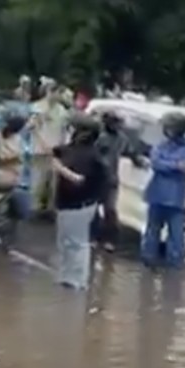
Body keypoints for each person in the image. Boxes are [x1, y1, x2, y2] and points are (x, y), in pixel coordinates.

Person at [52, 114, 107, 289]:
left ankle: (78, 282)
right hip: (66, 204)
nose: (69, 131)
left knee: (77, 244)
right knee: (64, 242)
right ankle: (66, 278)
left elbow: (79, 180)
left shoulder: (90, 155)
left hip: (80, 205)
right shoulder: (72, 149)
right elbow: (54, 151)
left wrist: (60, 169)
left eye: (72, 128)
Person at [141, 112, 185, 268]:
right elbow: (155, 163)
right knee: (152, 231)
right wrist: (175, 166)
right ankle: (148, 261)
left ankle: (174, 266)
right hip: (157, 195)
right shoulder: (161, 145)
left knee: (176, 235)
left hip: (176, 198)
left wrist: (166, 164)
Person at [31, 80, 69, 215]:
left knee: (54, 182)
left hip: (56, 150)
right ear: (50, 92)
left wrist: (62, 146)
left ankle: (50, 209)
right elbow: (33, 128)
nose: (60, 96)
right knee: (39, 181)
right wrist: (44, 145)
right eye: (58, 92)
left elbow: (64, 130)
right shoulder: (38, 107)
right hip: (40, 150)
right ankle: (36, 208)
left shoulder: (62, 110)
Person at [95, 110, 130, 251]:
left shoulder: (122, 138)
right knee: (93, 209)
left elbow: (129, 151)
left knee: (110, 210)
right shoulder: (99, 137)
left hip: (111, 179)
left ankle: (110, 240)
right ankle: (94, 237)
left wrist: (137, 158)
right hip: (97, 178)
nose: (117, 126)